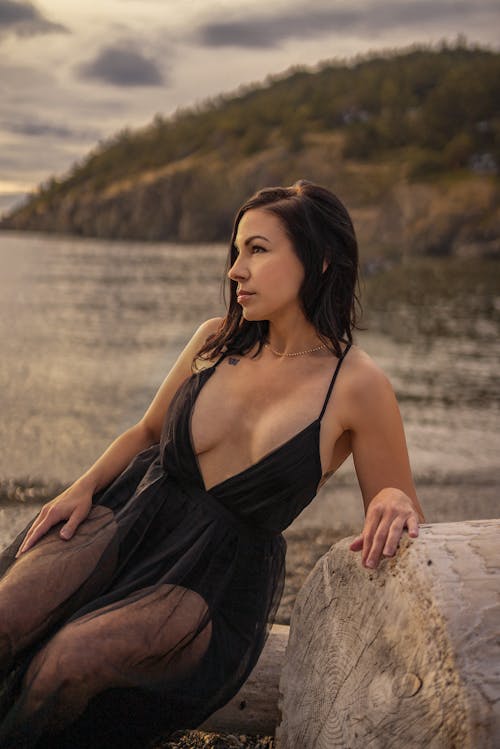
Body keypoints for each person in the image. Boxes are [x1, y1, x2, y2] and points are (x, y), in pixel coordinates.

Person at [0, 179, 425, 747]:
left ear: (320, 261)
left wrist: (394, 498)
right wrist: (82, 487)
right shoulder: (215, 339)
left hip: (212, 576)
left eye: (257, 249)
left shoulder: (357, 385)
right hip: (128, 515)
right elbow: (150, 432)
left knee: (68, 662)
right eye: (235, 251)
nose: (235, 270)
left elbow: (396, 504)